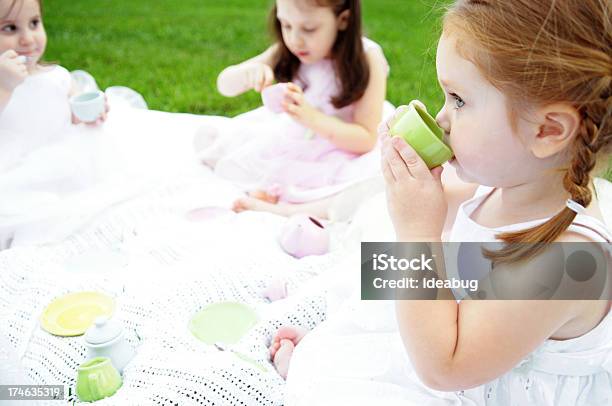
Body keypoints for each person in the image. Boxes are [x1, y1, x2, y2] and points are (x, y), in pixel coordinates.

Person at [272, 1, 612, 404]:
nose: (442, 118)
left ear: (547, 130)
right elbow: (448, 238)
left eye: (459, 100)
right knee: (382, 277)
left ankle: (328, 365)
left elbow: (444, 369)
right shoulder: (509, 184)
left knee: (407, 267)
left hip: (468, 375)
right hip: (457, 337)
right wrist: (412, 179)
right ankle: (334, 345)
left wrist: (418, 229)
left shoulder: (568, 264)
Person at [204, 0, 389, 216]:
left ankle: (287, 209)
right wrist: (247, 74)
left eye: (309, 29)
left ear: (343, 20)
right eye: (286, 25)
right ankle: (276, 193)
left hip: (343, 146)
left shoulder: (367, 58)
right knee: (249, 154)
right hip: (300, 138)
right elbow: (224, 85)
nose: (294, 40)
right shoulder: (288, 51)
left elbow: (366, 139)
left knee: (366, 189)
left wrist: (310, 118)